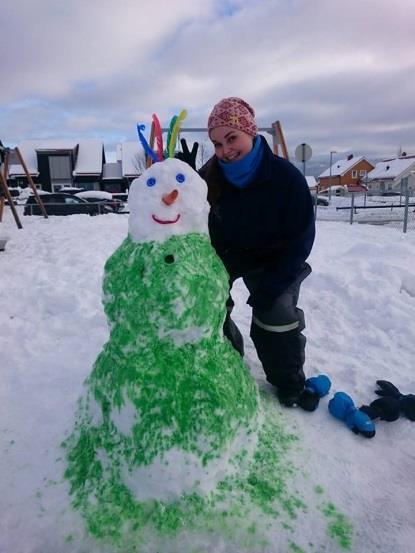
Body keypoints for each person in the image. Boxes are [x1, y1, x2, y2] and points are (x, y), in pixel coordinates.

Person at [195, 97, 319, 411]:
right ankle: (227, 366)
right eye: (217, 143)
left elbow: (301, 238)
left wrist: (273, 285)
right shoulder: (207, 176)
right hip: (224, 256)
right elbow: (178, 212)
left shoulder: (285, 178)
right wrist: (179, 178)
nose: (225, 150)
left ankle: (288, 380)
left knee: (275, 316)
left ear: (250, 132)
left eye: (232, 138)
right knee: (205, 308)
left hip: (273, 259)